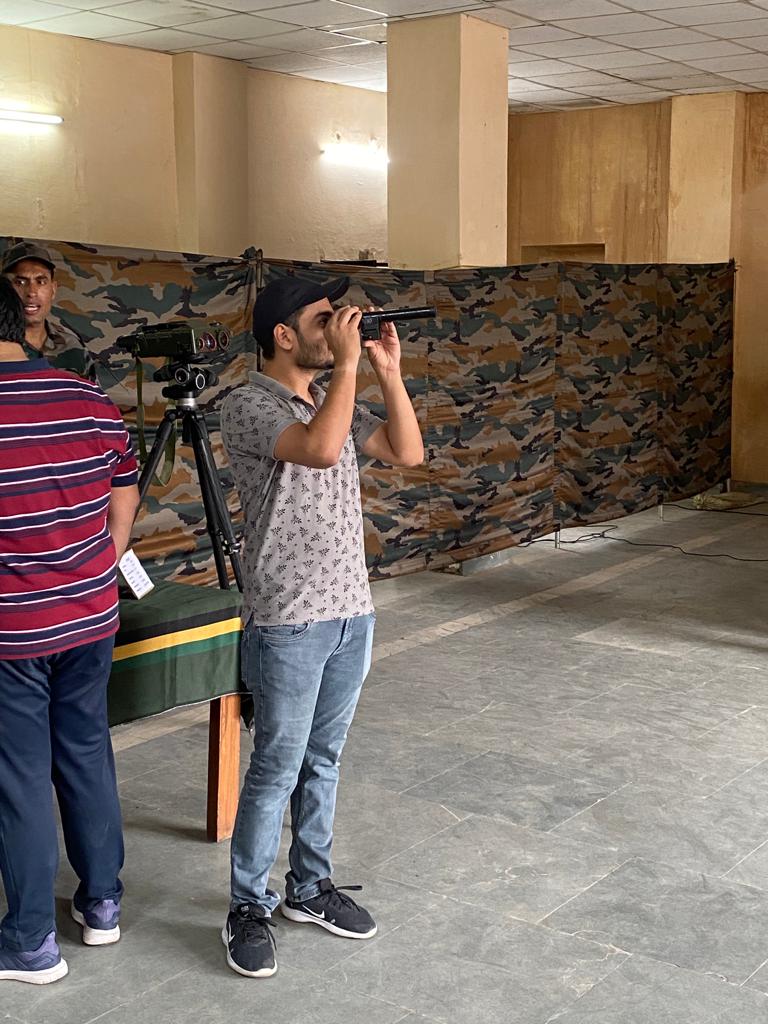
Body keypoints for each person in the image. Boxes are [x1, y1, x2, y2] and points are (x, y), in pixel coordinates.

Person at [220, 275, 424, 978]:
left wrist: (386, 373)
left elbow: (407, 452)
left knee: (323, 760)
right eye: (323, 319)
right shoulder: (247, 403)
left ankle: (309, 887)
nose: (339, 327)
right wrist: (347, 365)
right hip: (288, 619)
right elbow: (320, 449)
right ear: (283, 335)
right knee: (277, 766)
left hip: (350, 611)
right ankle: (248, 905)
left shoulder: (334, 396)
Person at [0, 277, 139, 984]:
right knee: (85, 752)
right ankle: (102, 904)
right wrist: (96, 570)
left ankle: (30, 942)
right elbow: (124, 492)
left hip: (12, 636)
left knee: (20, 777)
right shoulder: (90, 397)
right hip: (89, 619)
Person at [2, 241, 96, 380]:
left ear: (53, 289)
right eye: (20, 282)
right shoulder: (3, 349)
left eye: (41, 282)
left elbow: (91, 393)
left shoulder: (73, 347)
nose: (31, 292)